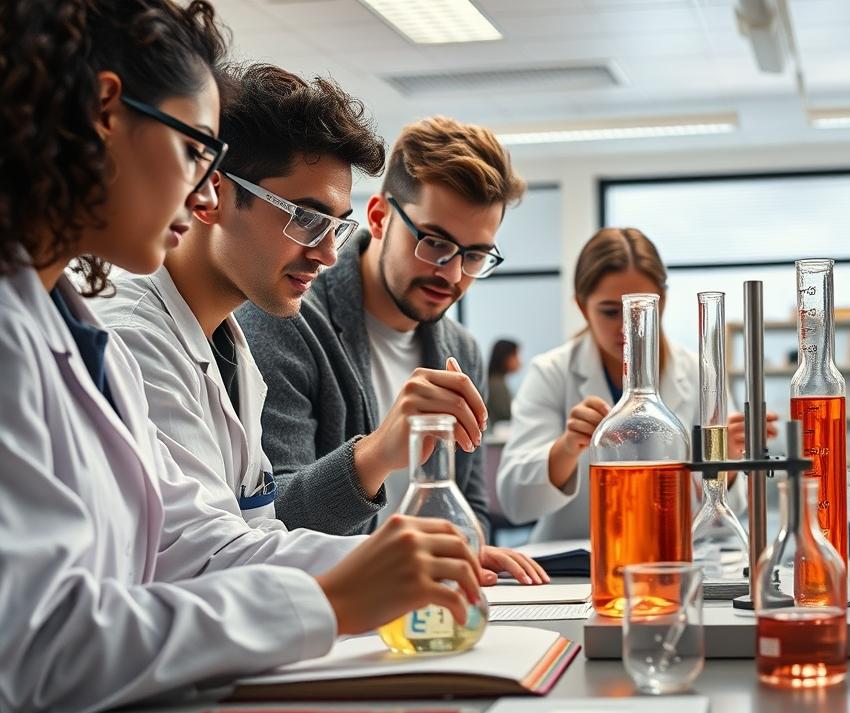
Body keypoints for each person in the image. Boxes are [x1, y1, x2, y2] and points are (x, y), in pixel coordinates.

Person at [0, 1, 483, 713]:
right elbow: (35, 649)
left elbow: (205, 545)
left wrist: (388, 566)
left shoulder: (92, 334)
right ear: (104, 116)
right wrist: (331, 602)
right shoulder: (67, 333)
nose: (201, 193)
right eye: (195, 150)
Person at [91, 64, 542, 582]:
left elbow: (258, 530)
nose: (327, 254)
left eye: (335, 227)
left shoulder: (228, 346)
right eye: (305, 218)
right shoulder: (134, 338)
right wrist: (401, 556)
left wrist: (437, 553)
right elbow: (205, 559)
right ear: (213, 194)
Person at [236, 116, 546, 581]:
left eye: (475, 255)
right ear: (380, 218)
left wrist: (469, 547)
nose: (452, 273)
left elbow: (472, 507)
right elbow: (269, 523)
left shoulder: (460, 349)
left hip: (423, 602)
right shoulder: (284, 318)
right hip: (330, 606)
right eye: (434, 243)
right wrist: (377, 453)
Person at [497, 227, 774, 542]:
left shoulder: (701, 372)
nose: (627, 326)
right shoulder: (552, 372)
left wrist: (730, 462)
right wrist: (567, 447)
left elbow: (721, 514)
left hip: (668, 555)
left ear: (662, 301)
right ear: (582, 307)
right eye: (610, 312)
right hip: (573, 562)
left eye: (640, 309)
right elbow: (515, 501)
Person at [486, 338, 521, 424]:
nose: (519, 361)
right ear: (505, 357)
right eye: (515, 355)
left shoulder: (498, 381)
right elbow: (506, 415)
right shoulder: (496, 385)